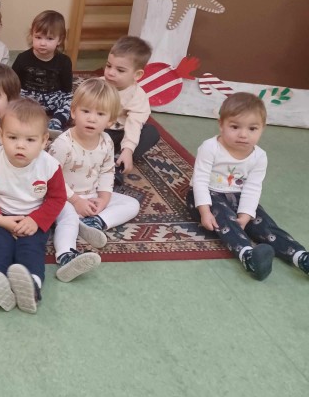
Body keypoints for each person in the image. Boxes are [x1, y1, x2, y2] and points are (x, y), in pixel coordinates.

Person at [187, 92, 309, 280]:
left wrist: (246, 214)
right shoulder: (210, 147)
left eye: (252, 129)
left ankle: (300, 257)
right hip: (208, 195)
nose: (243, 134)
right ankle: (248, 256)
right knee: (225, 219)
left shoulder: (259, 156)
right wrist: (204, 211)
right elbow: (200, 180)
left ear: (262, 128)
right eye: (235, 127)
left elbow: (253, 188)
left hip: (238, 196)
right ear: (221, 124)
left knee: (264, 223)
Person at [0, 99, 67, 313]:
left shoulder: (50, 166)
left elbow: (57, 198)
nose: (20, 145)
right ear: (0, 135)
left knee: (31, 250)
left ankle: (32, 286)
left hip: (32, 218)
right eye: (13, 137)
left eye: (30, 140)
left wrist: (36, 220)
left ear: (44, 141)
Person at [48, 78, 140, 282]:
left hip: (90, 194)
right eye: (86, 111)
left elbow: (107, 171)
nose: (92, 119)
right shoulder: (63, 144)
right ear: (73, 112)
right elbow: (51, 178)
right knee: (68, 218)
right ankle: (66, 255)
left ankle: (95, 222)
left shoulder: (107, 141)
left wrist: (104, 199)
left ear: (110, 121)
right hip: (62, 197)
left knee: (132, 204)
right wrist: (75, 201)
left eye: (100, 114)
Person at [102, 36, 160, 184]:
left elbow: (134, 124)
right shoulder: (98, 85)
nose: (110, 72)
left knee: (151, 132)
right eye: (108, 66)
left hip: (122, 134)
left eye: (120, 70)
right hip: (99, 131)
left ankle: (118, 164)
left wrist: (128, 150)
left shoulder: (137, 96)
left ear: (137, 75)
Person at [11, 10, 73, 134]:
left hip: (53, 97)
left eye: (49, 38)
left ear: (59, 40)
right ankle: (24, 120)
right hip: (28, 98)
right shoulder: (23, 58)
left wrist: (60, 98)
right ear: (32, 35)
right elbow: (13, 82)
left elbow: (67, 88)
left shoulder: (64, 61)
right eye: (38, 37)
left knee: (72, 100)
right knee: (10, 97)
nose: (42, 43)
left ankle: (56, 122)